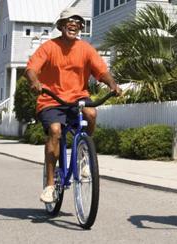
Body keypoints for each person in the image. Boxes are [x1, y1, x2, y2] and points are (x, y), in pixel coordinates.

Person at [25, 8, 122, 203]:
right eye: (69, 21)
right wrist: (35, 81)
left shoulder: (85, 48)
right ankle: (50, 185)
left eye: (78, 23)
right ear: (61, 26)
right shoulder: (49, 47)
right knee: (55, 131)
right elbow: (31, 68)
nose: (74, 25)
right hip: (52, 99)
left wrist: (113, 85)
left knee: (91, 114)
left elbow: (101, 71)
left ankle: (84, 154)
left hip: (77, 97)